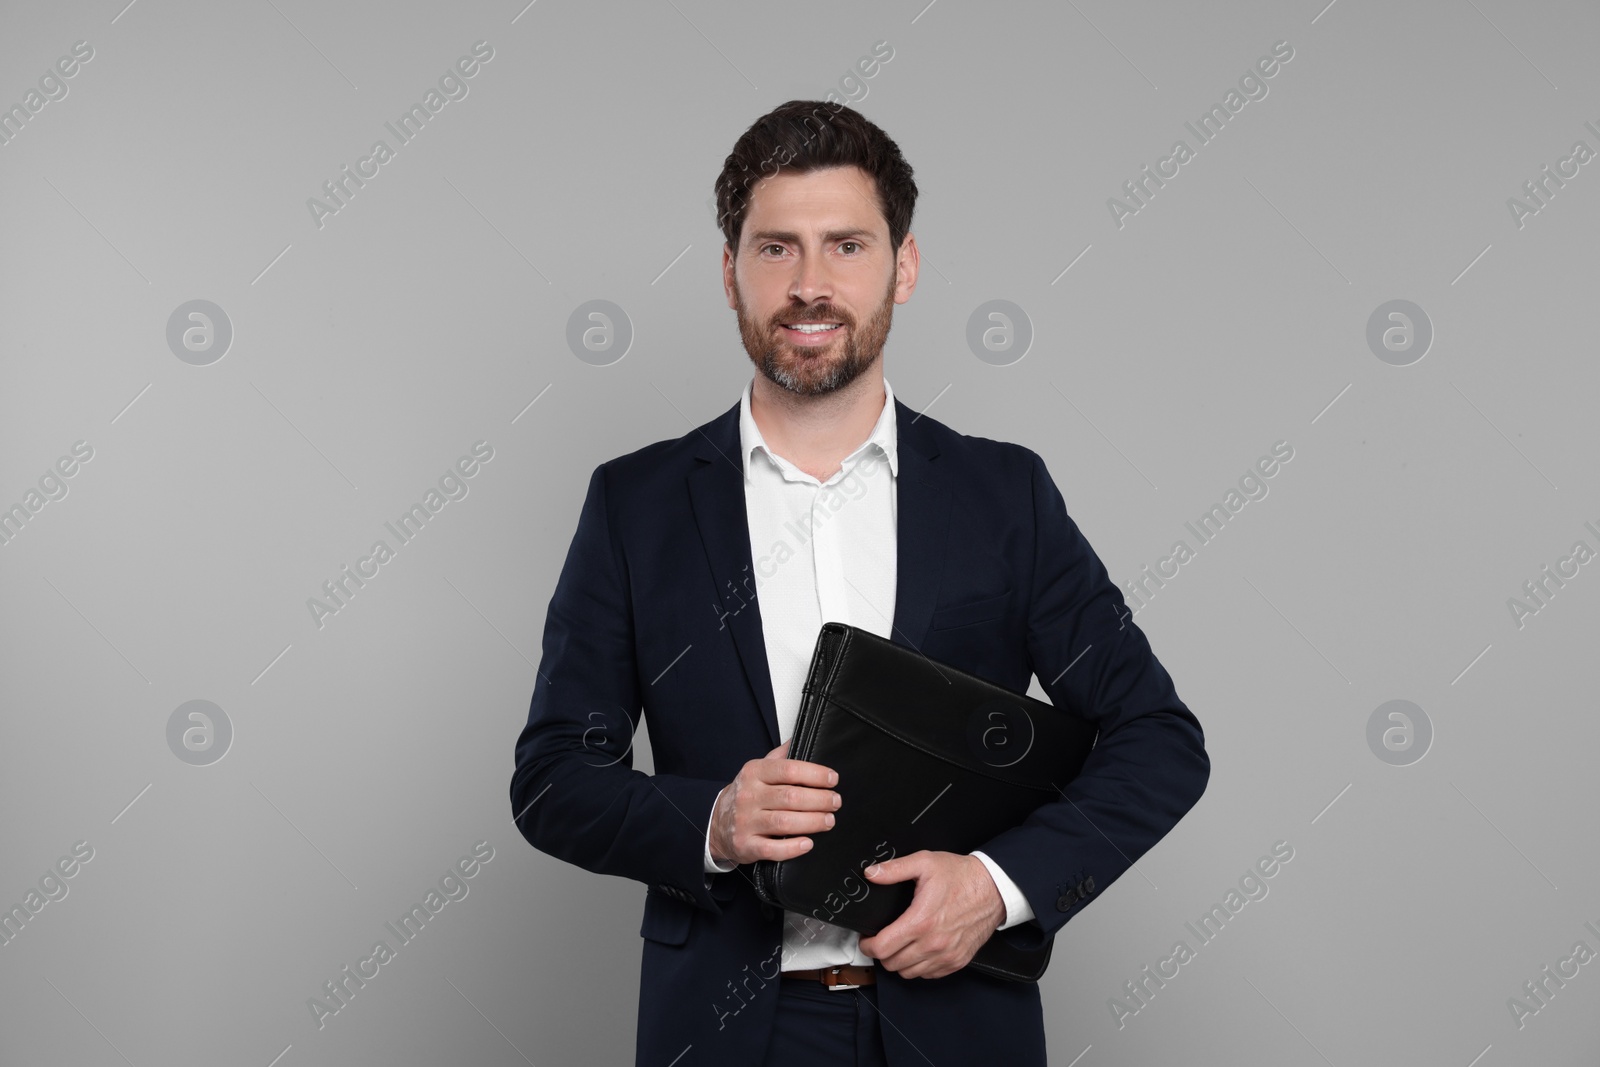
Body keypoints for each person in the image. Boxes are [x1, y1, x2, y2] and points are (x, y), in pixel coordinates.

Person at [509, 99, 1209, 1067]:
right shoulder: (637, 505)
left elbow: (1159, 739)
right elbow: (554, 780)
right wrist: (711, 819)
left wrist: (997, 884)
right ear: (728, 274)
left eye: (845, 245)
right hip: (723, 1025)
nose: (809, 284)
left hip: (957, 1018)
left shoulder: (1004, 494)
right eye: (775, 249)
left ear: (903, 266)